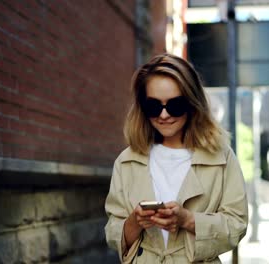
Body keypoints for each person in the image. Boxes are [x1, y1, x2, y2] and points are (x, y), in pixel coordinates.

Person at [105, 53, 248, 263]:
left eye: (175, 105)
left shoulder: (221, 158)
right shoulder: (126, 161)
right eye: (154, 106)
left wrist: (188, 220)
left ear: (192, 103)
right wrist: (135, 222)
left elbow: (237, 224)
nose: (164, 115)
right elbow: (112, 232)